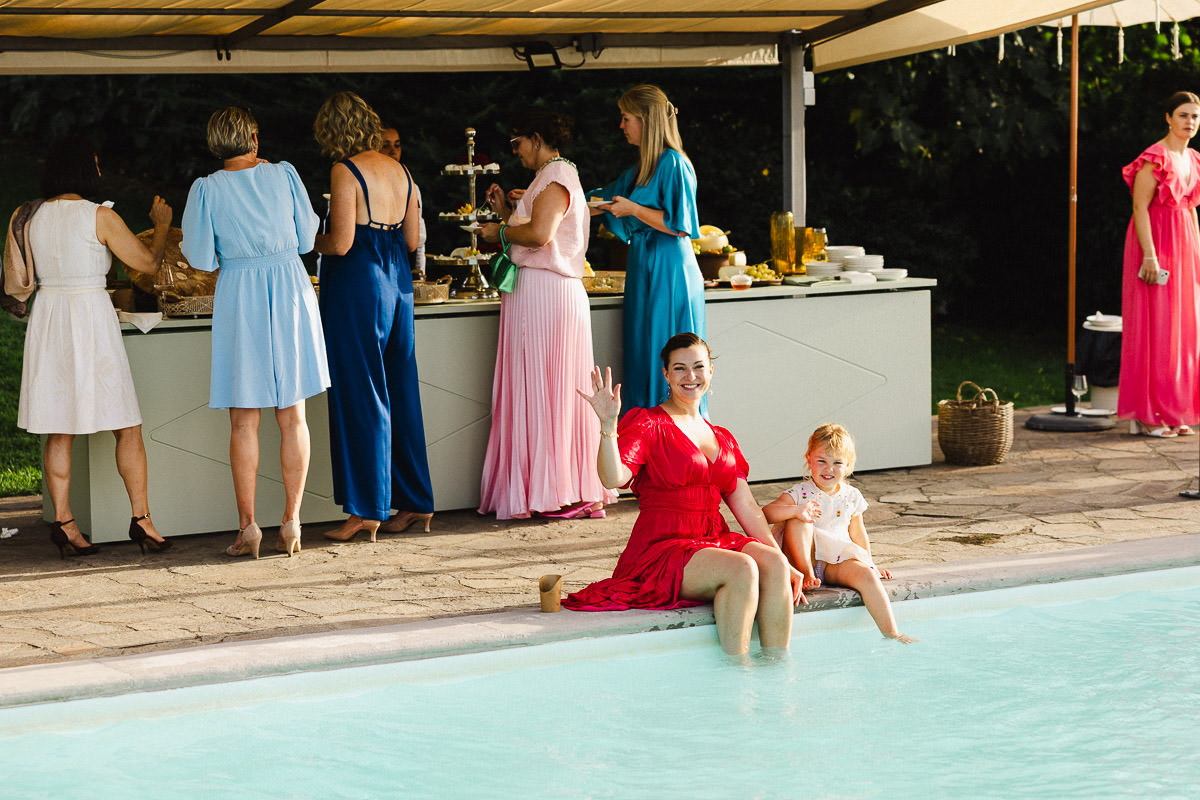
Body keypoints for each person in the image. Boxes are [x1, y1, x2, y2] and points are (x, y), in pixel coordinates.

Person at [563, 333, 801, 656]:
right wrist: (608, 426)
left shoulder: (723, 438)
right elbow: (612, 477)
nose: (690, 377)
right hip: (663, 548)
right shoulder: (649, 424)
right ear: (666, 375)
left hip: (711, 539)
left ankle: (776, 675)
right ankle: (738, 675)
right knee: (743, 568)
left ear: (711, 372)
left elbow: (747, 508)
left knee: (773, 563)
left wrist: (785, 561)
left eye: (698, 367)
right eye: (680, 369)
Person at [15, 135, 173, 557]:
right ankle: (142, 519)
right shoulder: (99, 217)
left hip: (49, 316)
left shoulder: (31, 216)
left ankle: (65, 523)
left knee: (58, 428)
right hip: (89, 317)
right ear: (88, 168)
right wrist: (160, 226)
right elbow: (147, 264)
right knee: (127, 424)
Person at [181, 106, 328, 559]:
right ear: (255, 138)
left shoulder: (206, 189)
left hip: (240, 292)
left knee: (244, 421)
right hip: (289, 287)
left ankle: (248, 526)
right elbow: (307, 239)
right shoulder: (284, 174)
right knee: (293, 416)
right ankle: (292, 519)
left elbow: (201, 258)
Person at [476, 108, 616, 520]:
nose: (515, 152)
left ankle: (560, 489)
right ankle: (553, 484)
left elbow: (540, 236)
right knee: (540, 386)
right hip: (538, 292)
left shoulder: (556, 176)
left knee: (548, 386)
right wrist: (506, 211)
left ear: (537, 138)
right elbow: (534, 235)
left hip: (548, 295)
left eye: (517, 143)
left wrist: (497, 232)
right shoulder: (548, 177)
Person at [313, 91, 435, 542]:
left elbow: (341, 242)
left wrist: (309, 238)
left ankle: (367, 508)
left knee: (361, 391)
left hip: (358, 282)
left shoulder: (345, 171)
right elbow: (410, 238)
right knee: (401, 389)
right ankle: (416, 501)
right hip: (397, 281)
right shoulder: (402, 171)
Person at [591, 85, 705, 415]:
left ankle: (675, 439)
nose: (622, 125)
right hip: (644, 266)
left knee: (667, 353)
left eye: (626, 118)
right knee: (644, 353)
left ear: (646, 120)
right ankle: (647, 436)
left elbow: (682, 225)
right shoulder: (644, 167)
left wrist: (635, 210)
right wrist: (550, 198)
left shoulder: (674, 163)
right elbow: (607, 198)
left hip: (670, 268)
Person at [763, 423, 915, 643]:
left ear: (848, 466)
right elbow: (766, 513)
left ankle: (892, 633)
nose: (829, 469)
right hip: (803, 558)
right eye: (821, 461)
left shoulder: (852, 496)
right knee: (800, 521)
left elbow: (858, 533)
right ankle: (806, 574)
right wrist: (796, 510)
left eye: (837, 463)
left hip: (834, 563)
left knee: (867, 576)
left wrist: (870, 564)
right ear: (809, 460)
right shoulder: (800, 493)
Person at [1118, 91, 1200, 438]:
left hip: (1184, 245)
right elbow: (1140, 208)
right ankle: (1148, 413)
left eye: (1195, 117)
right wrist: (1150, 255)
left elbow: (1191, 206)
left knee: (1183, 329)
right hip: (1154, 242)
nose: (1189, 122)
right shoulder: (1155, 157)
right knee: (1157, 326)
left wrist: (1196, 252)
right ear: (1168, 117)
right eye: (1183, 115)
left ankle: (1173, 408)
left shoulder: (1194, 158)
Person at [379, 126, 426, 276]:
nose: (393, 150)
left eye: (397, 145)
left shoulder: (411, 187)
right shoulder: (365, 185)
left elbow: (419, 239)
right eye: (385, 145)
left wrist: (420, 273)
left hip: (401, 267)